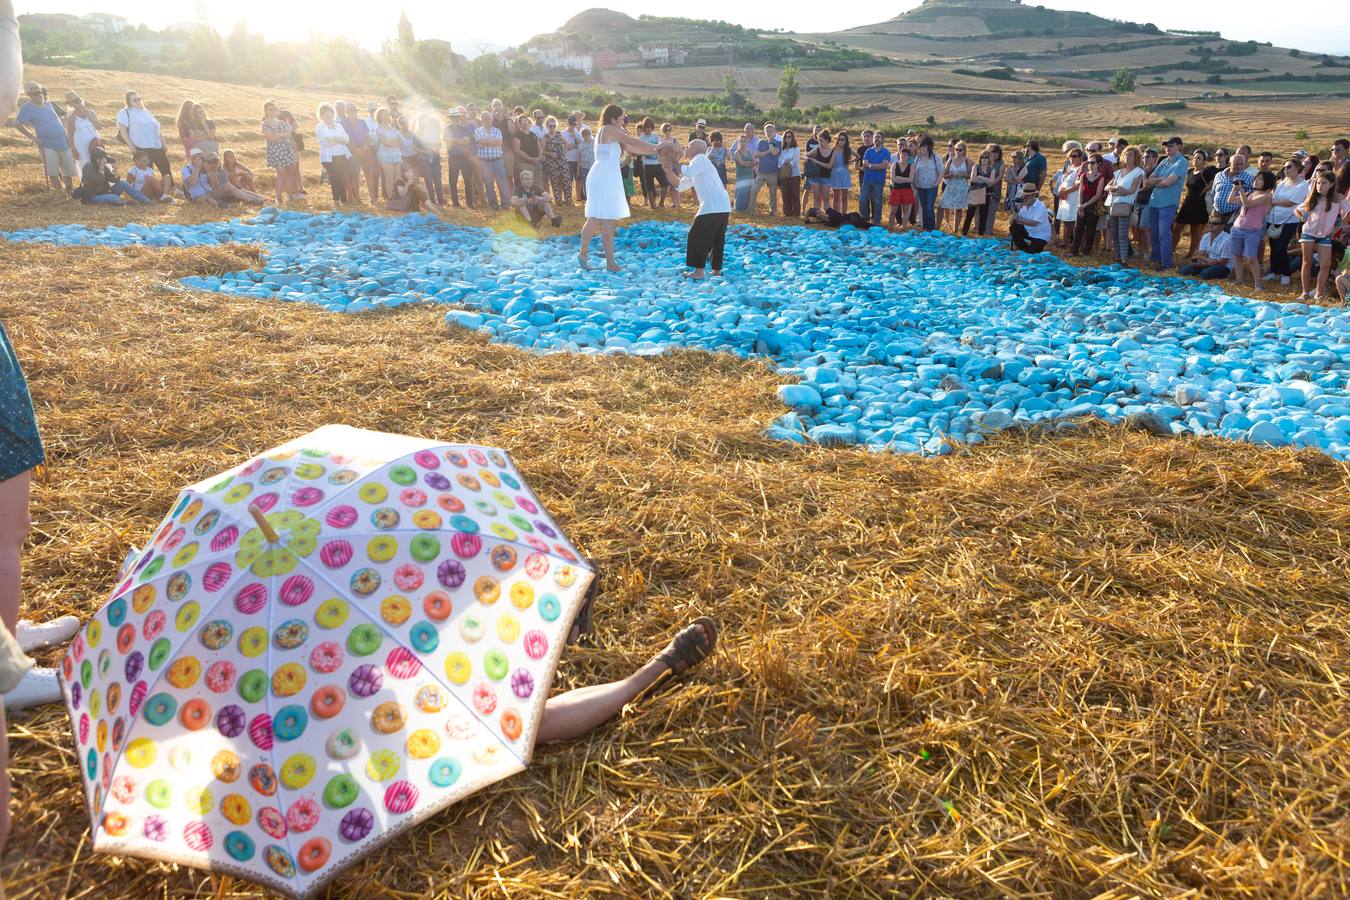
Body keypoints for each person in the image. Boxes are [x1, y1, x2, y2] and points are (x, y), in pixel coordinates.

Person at [579, 104, 662, 272]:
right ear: (613, 119)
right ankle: (609, 263)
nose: (624, 119)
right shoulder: (609, 129)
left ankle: (584, 254)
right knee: (606, 220)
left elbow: (631, 149)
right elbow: (631, 141)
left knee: (595, 217)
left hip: (603, 175)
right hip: (605, 176)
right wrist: (656, 146)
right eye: (622, 117)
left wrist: (654, 149)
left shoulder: (611, 133)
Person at [1296, 169, 1350, 300]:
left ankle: (1319, 293)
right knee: (1306, 261)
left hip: (1325, 235)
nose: (1320, 186)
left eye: (1323, 183)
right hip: (1308, 233)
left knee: (1325, 265)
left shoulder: (1338, 198)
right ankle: (1305, 292)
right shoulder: (1314, 197)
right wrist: (1303, 218)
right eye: (1318, 183)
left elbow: (1348, 210)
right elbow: (1298, 209)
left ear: (1332, 184)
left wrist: (1342, 223)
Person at [13, 81, 74, 190]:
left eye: (40, 92)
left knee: (67, 172)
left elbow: (59, 121)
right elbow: (17, 124)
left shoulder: (49, 104)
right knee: (53, 173)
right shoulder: (27, 108)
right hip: (47, 145)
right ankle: (60, 195)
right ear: (29, 95)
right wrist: (32, 137)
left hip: (63, 143)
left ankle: (70, 193)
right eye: (35, 93)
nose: (39, 94)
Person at [1143, 136, 1188, 270]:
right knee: (1154, 234)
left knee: (1164, 233)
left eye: (1171, 145)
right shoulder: (1163, 162)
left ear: (1179, 146)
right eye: (1166, 146)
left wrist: (1158, 181)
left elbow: (1169, 182)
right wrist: (1161, 180)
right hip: (1154, 202)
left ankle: (1166, 264)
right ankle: (1155, 259)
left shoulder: (1182, 162)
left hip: (1168, 203)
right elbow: (1149, 180)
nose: (1167, 148)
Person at [117, 89, 174, 195]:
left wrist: (163, 143)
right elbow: (123, 131)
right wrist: (131, 145)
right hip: (141, 146)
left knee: (165, 167)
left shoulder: (145, 111)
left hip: (155, 145)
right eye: (134, 100)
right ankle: (150, 192)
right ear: (128, 102)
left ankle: (171, 189)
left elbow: (156, 128)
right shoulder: (125, 112)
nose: (138, 101)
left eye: (139, 99)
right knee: (147, 171)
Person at [1227, 169, 1273, 291]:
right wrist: (1235, 188)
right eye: (1256, 178)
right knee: (1237, 256)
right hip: (1237, 228)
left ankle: (1258, 283)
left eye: (1260, 179)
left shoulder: (1266, 196)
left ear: (1267, 182)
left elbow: (1247, 204)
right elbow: (1230, 200)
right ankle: (1239, 280)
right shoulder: (1248, 193)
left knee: (1251, 257)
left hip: (1252, 231)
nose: (1256, 181)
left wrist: (1241, 190)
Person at [1266, 158, 1309, 286]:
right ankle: (1274, 272)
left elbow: (1291, 202)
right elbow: (1275, 197)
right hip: (1273, 219)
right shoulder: (1282, 182)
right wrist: (1274, 201)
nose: (1286, 169)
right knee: (1273, 248)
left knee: (1281, 248)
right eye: (1284, 167)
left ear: (1298, 168)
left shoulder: (1303, 185)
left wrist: (1273, 202)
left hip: (1289, 221)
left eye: (1289, 167)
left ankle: (1285, 273)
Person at [1172, 149, 1217, 258]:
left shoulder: (1206, 173)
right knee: (1176, 228)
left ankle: (1191, 254)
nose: (1196, 160)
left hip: (1199, 204)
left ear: (1204, 161)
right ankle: (1170, 250)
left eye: (1199, 158)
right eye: (1195, 157)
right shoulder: (1190, 171)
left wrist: (1207, 189)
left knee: (1195, 231)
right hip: (1187, 203)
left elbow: (1215, 181)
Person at [1104, 146, 1144, 265]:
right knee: (1114, 232)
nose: (1127, 156)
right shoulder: (1117, 172)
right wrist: (1115, 188)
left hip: (1125, 204)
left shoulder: (1138, 172)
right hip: (1113, 204)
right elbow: (1107, 187)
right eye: (1126, 154)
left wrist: (1120, 190)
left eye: (1130, 154)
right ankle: (1117, 257)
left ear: (1136, 157)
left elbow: (1132, 190)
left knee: (1122, 233)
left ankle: (1124, 259)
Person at [71, 148, 148, 205]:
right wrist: (101, 167)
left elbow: (116, 180)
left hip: (106, 192)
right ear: (96, 159)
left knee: (123, 183)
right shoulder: (88, 167)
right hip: (93, 195)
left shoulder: (104, 167)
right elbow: (99, 181)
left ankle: (145, 200)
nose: (103, 161)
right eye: (100, 159)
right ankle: (125, 203)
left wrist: (115, 169)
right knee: (115, 198)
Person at [315, 102, 352, 204]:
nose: (329, 115)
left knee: (343, 177)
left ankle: (344, 200)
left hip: (342, 155)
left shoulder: (338, 125)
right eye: (326, 113)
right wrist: (339, 140)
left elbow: (347, 139)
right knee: (335, 177)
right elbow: (325, 143)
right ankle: (336, 200)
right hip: (329, 158)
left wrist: (334, 139)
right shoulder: (320, 127)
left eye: (330, 113)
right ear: (321, 116)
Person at [1071, 153, 1107, 256]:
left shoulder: (1101, 177)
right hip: (1083, 203)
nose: (1089, 164)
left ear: (1098, 164)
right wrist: (1080, 206)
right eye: (1088, 162)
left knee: (1090, 230)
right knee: (1079, 229)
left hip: (1093, 204)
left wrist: (1084, 205)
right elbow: (1080, 192)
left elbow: (1098, 195)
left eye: (1092, 162)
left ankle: (1087, 252)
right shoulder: (1083, 176)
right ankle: (1074, 251)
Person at [1178, 214, 1234, 279]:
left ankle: (1203, 270)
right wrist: (1205, 261)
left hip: (1223, 266)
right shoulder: (1206, 236)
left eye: (1215, 223)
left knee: (1205, 274)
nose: (1211, 225)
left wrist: (1204, 263)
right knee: (1183, 271)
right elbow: (1201, 254)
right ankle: (1203, 270)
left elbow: (1223, 262)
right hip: (1208, 263)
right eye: (1210, 222)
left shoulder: (1227, 240)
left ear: (1222, 226)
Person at [445, 107, 480, 209]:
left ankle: (469, 203)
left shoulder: (463, 128)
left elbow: (469, 139)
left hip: (465, 157)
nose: (456, 119)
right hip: (454, 157)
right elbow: (446, 139)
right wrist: (459, 141)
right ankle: (455, 202)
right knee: (453, 180)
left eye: (457, 117)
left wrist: (462, 141)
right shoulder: (447, 129)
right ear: (451, 118)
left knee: (468, 181)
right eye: (454, 117)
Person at [63, 92, 104, 175]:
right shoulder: (71, 118)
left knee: (101, 162)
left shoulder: (91, 112)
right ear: (71, 104)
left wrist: (86, 111)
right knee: (87, 165)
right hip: (82, 146)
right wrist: (74, 150)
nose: (78, 103)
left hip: (95, 143)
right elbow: (70, 136)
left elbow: (99, 126)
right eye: (74, 102)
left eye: (78, 100)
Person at [1051, 147, 1084, 246]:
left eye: (1074, 156)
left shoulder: (1081, 168)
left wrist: (1066, 191)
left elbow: (1078, 185)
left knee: (1073, 221)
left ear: (1080, 158)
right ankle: (1064, 243)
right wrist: (1061, 189)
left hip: (1073, 197)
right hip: (1065, 197)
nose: (1072, 158)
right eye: (1070, 156)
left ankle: (1075, 244)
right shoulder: (1069, 167)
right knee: (1065, 220)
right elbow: (1064, 181)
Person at [339, 101, 370, 204]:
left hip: (363, 150)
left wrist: (364, 147)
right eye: (350, 110)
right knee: (351, 174)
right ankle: (351, 197)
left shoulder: (362, 122)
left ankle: (357, 197)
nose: (353, 112)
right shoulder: (343, 123)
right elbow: (345, 139)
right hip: (350, 151)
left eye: (354, 110)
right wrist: (356, 150)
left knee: (357, 174)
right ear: (347, 111)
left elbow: (366, 136)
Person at [1212, 153, 1254, 227]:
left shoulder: (1249, 178)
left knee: (1228, 236)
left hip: (1234, 214)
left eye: (1242, 164)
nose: (1240, 167)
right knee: (1212, 236)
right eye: (1237, 164)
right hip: (1216, 213)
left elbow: (1252, 195)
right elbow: (1213, 192)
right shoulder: (1218, 175)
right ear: (1230, 163)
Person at [413, 107, 444, 206]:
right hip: (424, 159)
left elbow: (440, 143)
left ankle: (441, 200)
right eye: (423, 121)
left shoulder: (434, 131)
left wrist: (436, 148)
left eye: (427, 120)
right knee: (429, 181)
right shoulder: (417, 133)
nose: (425, 122)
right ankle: (432, 200)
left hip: (435, 158)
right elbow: (414, 148)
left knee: (438, 180)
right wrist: (425, 151)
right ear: (420, 122)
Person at [859, 131, 891, 226]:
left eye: (879, 137)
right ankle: (865, 219)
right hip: (867, 180)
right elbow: (864, 163)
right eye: (875, 137)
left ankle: (876, 221)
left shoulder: (885, 152)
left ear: (882, 140)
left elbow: (884, 165)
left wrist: (870, 166)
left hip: (879, 181)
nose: (876, 139)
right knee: (863, 199)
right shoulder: (868, 151)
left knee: (877, 201)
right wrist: (876, 166)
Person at [911, 136, 942, 231]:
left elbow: (941, 171)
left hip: (931, 186)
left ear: (929, 146)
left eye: (924, 146)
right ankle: (925, 227)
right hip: (920, 186)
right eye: (921, 146)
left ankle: (931, 228)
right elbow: (914, 171)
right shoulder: (918, 158)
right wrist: (914, 183)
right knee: (924, 208)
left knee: (929, 207)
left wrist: (937, 183)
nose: (922, 148)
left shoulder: (935, 157)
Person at [938, 141, 970, 232]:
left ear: (964, 151)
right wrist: (950, 175)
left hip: (962, 187)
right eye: (956, 149)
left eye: (960, 150)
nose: (958, 151)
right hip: (951, 186)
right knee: (942, 205)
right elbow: (945, 174)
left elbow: (971, 175)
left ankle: (955, 230)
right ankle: (937, 227)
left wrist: (963, 175)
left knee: (959, 208)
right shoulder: (950, 160)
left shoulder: (967, 161)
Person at [751, 123, 782, 216]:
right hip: (761, 172)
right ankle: (751, 210)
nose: (768, 133)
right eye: (767, 131)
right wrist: (768, 151)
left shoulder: (778, 143)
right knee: (754, 190)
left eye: (770, 131)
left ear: (774, 132)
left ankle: (772, 211)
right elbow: (756, 155)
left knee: (772, 193)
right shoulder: (761, 142)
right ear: (764, 132)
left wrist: (769, 143)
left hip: (773, 172)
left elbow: (774, 153)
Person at [1010, 184, 1051, 253]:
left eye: (1026, 196)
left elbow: (1034, 223)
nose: (1024, 198)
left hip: (1040, 235)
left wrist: (1020, 220)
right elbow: (1011, 222)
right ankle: (1023, 247)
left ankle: (1031, 248)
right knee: (1013, 227)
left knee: (1031, 252)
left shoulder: (1040, 206)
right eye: (1023, 196)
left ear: (1033, 196)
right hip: (1029, 232)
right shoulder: (1022, 206)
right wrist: (1017, 210)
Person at [374, 107, 405, 202]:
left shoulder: (393, 128)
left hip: (396, 154)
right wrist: (394, 143)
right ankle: (391, 198)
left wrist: (394, 143)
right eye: (384, 115)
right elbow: (385, 141)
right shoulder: (379, 128)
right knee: (389, 178)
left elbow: (401, 140)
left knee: (397, 178)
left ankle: (398, 197)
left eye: (387, 114)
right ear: (380, 117)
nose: (387, 116)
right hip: (385, 155)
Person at [964, 148, 996, 237]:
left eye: (986, 157)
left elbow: (992, 182)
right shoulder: (976, 167)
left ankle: (980, 234)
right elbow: (973, 179)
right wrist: (986, 180)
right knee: (970, 214)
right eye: (982, 157)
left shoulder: (991, 169)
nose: (984, 159)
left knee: (984, 214)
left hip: (986, 194)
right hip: (975, 192)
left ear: (989, 159)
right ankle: (964, 232)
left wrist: (981, 177)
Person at [542, 116, 571, 206]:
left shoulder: (559, 134)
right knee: (555, 182)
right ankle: (559, 202)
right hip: (552, 162)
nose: (552, 127)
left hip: (562, 161)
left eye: (554, 125)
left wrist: (564, 153)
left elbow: (566, 143)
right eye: (550, 126)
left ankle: (569, 201)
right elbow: (542, 150)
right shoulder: (545, 137)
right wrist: (550, 154)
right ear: (547, 126)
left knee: (566, 180)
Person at [887, 144, 914, 231]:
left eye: (905, 154)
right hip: (897, 190)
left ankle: (904, 227)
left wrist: (900, 178)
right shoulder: (895, 165)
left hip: (907, 190)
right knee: (893, 210)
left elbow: (911, 179)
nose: (902, 156)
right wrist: (903, 179)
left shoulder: (911, 166)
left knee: (906, 210)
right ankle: (890, 227)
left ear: (908, 156)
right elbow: (893, 179)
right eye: (901, 154)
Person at [731, 124, 757, 213]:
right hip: (741, 175)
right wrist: (750, 164)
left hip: (750, 175)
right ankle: (738, 209)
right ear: (739, 143)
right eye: (741, 141)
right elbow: (742, 163)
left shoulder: (749, 152)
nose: (743, 143)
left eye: (744, 141)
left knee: (749, 192)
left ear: (747, 142)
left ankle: (748, 208)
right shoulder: (736, 153)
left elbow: (754, 162)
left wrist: (748, 163)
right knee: (741, 192)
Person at [826, 131, 853, 214]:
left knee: (844, 197)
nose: (840, 141)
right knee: (836, 196)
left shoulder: (848, 150)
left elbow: (858, 156)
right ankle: (836, 214)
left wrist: (850, 161)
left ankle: (844, 215)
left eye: (843, 139)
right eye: (839, 139)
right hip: (835, 173)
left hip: (844, 173)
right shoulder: (833, 149)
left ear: (846, 141)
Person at [778, 130, 801, 219]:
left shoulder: (796, 149)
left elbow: (795, 160)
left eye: (789, 137)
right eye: (786, 137)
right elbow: (779, 161)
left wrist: (788, 163)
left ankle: (796, 213)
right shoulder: (782, 150)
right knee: (785, 194)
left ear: (792, 138)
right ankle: (787, 213)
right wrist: (786, 161)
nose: (787, 138)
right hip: (784, 174)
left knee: (795, 194)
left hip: (794, 174)